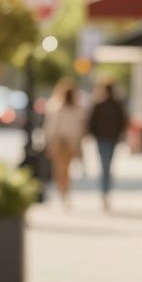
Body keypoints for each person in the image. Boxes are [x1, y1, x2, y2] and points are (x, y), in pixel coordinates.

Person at [42, 79, 87, 209]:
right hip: (69, 142)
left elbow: (51, 128)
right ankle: (64, 192)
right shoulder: (76, 109)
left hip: (61, 142)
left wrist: (50, 142)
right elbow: (80, 129)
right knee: (65, 170)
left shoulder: (57, 107)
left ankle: (63, 192)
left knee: (60, 170)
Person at [85, 81, 128, 212]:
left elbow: (91, 122)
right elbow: (123, 121)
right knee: (107, 165)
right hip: (110, 138)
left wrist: (94, 134)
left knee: (104, 166)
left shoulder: (100, 104)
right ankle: (106, 191)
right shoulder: (116, 105)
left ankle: (105, 192)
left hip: (103, 139)